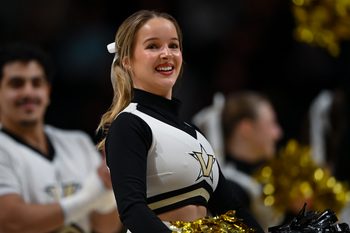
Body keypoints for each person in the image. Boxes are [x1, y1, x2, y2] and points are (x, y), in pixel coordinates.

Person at [97, 9, 264, 233]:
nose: (166, 54)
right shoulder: (129, 124)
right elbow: (132, 210)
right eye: (153, 46)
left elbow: (232, 210)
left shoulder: (194, 135)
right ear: (127, 61)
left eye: (173, 45)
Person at [0, 43, 124, 233]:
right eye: (17, 84)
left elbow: (105, 227)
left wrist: (108, 191)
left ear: (48, 92)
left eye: (36, 83)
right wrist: (90, 197)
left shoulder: (78, 143)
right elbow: (11, 222)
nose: (28, 92)